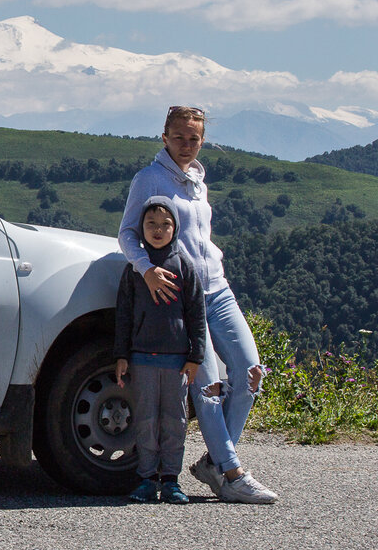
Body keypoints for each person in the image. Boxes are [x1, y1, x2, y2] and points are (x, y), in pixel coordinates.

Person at [118, 106, 278, 504]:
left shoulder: (197, 179)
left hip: (218, 288)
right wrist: (146, 270)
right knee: (206, 388)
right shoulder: (149, 178)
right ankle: (233, 473)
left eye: (194, 139)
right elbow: (127, 234)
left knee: (251, 374)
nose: (186, 145)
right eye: (179, 137)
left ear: (202, 141)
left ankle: (213, 463)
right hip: (184, 296)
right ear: (164, 138)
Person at [114, 197, 205, 504]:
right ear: (140, 228)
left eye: (165, 224)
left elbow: (197, 313)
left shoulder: (184, 266)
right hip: (142, 359)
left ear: (175, 228)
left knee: (175, 422)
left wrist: (196, 357)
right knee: (145, 420)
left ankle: (171, 480)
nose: (158, 230)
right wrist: (122, 355)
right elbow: (124, 314)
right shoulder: (135, 270)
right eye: (150, 223)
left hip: (177, 362)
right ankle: (146, 479)